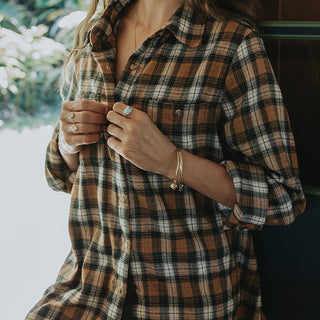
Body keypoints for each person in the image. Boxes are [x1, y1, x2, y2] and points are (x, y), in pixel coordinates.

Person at [26, 0, 306, 319]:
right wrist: (68, 141)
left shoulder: (232, 42)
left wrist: (171, 161)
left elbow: (281, 197)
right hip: (89, 286)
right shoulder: (96, 32)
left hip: (185, 296)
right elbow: (60, 176)